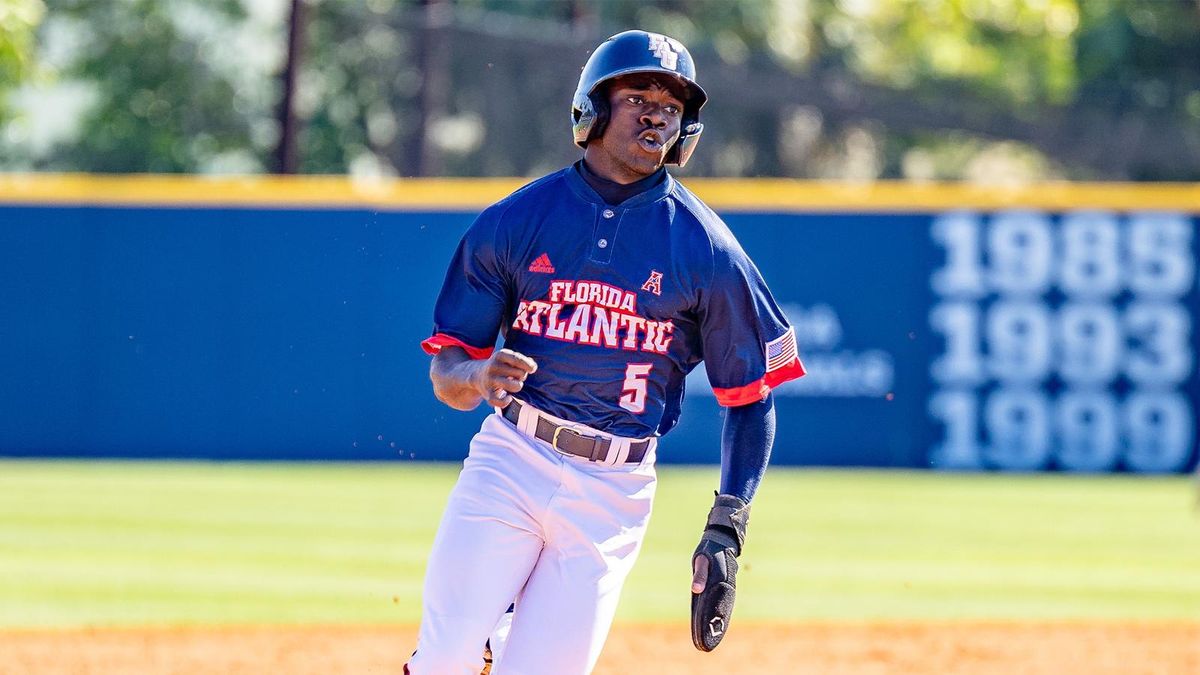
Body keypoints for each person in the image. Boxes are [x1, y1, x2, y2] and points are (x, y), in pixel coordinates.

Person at [409, 29, 805, 674]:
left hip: (613, 488)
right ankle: (487, 633)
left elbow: (751, 398)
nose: (658, 113)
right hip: (513, 459)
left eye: (673, 105)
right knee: (444, 658)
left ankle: (507, 635)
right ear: (591, 110)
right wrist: (480, 374)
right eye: (639, 95)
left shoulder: (708, 249)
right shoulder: (516, 221)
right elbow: (447, 374)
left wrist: (727, 525)